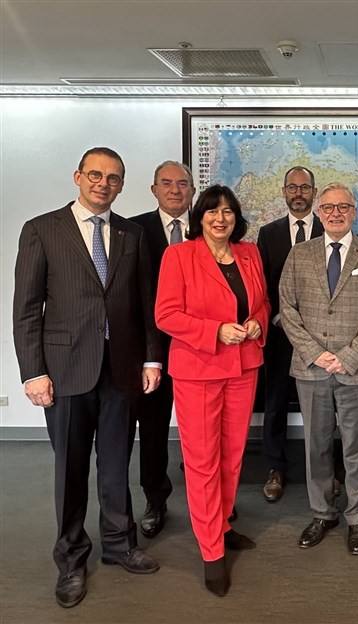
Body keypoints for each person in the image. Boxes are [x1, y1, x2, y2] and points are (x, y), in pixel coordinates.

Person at [13, 147, 162, 608]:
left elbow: (144, 304)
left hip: (120, 371)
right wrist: (33, 371)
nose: (103, 183)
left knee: (117, 464)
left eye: (113, 178)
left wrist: (151, 360)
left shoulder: (132, 233)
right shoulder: (42, 229)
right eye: (95, 175)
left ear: (121, 185)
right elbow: (26, 310)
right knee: (71, 471)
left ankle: (119, 545)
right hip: (65, 371)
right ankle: (72, 559)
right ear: (78, 176)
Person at [155, 185, 268, 596]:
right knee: (202, 461)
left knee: (232, 456)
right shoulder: (179, 256)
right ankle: (211, 551)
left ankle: (221, 525)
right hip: (199, 368)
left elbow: (262, 304)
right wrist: (215, 331)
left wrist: (256, 322)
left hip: (243, 367)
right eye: (212, 212)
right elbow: (165, 315)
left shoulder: (250, 254)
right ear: (199, 217)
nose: (221, 219)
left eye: (228, 212)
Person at [279, 182, 358, 555]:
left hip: (356, 368)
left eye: (344, 207)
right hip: (312, 368)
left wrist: (349, 355)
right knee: (317, 445)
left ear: (355, 212)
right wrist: (315, 353)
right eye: (328, 208)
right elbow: (287, 310)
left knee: (357, 447)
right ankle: (322, 512)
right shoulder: (299, 254)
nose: (336, 213)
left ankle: (357, 518)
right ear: (318, 212)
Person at [129, 160, 195, 538]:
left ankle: (216, 499)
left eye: (182, 184)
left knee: (204, 428)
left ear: (191, 190)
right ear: (154, 189)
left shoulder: (206, 230)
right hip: (151, 351)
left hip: (200, 348)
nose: (175, 190)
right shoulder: (134, 229)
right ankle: (156, 500)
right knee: (152, 428)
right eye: (166, 183)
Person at [257, 166, 324, 503]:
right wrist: (280, 319)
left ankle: (327, 469)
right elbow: (264, 286)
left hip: (323, 338)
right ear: (284, 192)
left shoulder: (330, 229)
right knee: (276, 402)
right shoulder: (268, 234)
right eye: (292, 187)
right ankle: (275, 468)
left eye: (305, 187)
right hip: (282, 336)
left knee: (327, 404)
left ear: (314, 191)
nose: (299, 193)